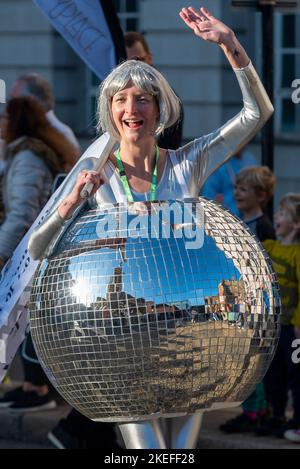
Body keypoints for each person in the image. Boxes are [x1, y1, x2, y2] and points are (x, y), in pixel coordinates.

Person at [27, 5, 273, 449]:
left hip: (190, 335)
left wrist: (230, 45)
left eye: (142, 97)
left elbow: (257, 113)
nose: (131, 108)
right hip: (125, 343)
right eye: (121, 99)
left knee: (179, 454)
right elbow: (38, 250)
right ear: (109, 110)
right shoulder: (95, 175)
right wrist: (69, 205)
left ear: (159, 109)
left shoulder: (186, 164)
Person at [0, 96, 71, 412]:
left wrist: (1, 253)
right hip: (30, 251)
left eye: (3, 117)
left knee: (27, 323)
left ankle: (36, 387)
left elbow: (23, 213)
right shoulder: (24, 152)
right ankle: (30, 385)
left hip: (30, 253)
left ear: (15, 121)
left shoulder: (28, 157)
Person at [219, 166, 276, 434]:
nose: (237, 193)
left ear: (261, 195)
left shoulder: (263, 227)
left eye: (243, 189)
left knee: (256, 359)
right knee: (245, 357)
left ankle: (257, 412)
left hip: (259, 305)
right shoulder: (240, 224)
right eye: (236, 188)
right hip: (243, 301)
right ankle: (253, 409)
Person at [254, 193, 300, 438]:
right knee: (274, 375)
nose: (277, 218)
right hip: (273, 327)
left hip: (292, 330)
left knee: (296, 376)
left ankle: (297, 422)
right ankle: (277, 416)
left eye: (282, 214)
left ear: (297, 223)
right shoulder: (270, 247)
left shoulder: (297, 254)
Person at [125, 30, 184, 150]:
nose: (132, 67)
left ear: (149, 59)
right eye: (125, 62)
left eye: (137, 60)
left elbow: (169, 148)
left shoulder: (167, 98)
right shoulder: (111, 93)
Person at [10, 73, 80, 171]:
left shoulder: (61, 133)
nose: (10, 107)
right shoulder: (30, 130)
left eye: (15, 101)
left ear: (32, 100)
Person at [201, 147, 257, 216]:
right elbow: (207, 198)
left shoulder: (250, 159)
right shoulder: (218, 163)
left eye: (243, 189)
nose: (236, 193)